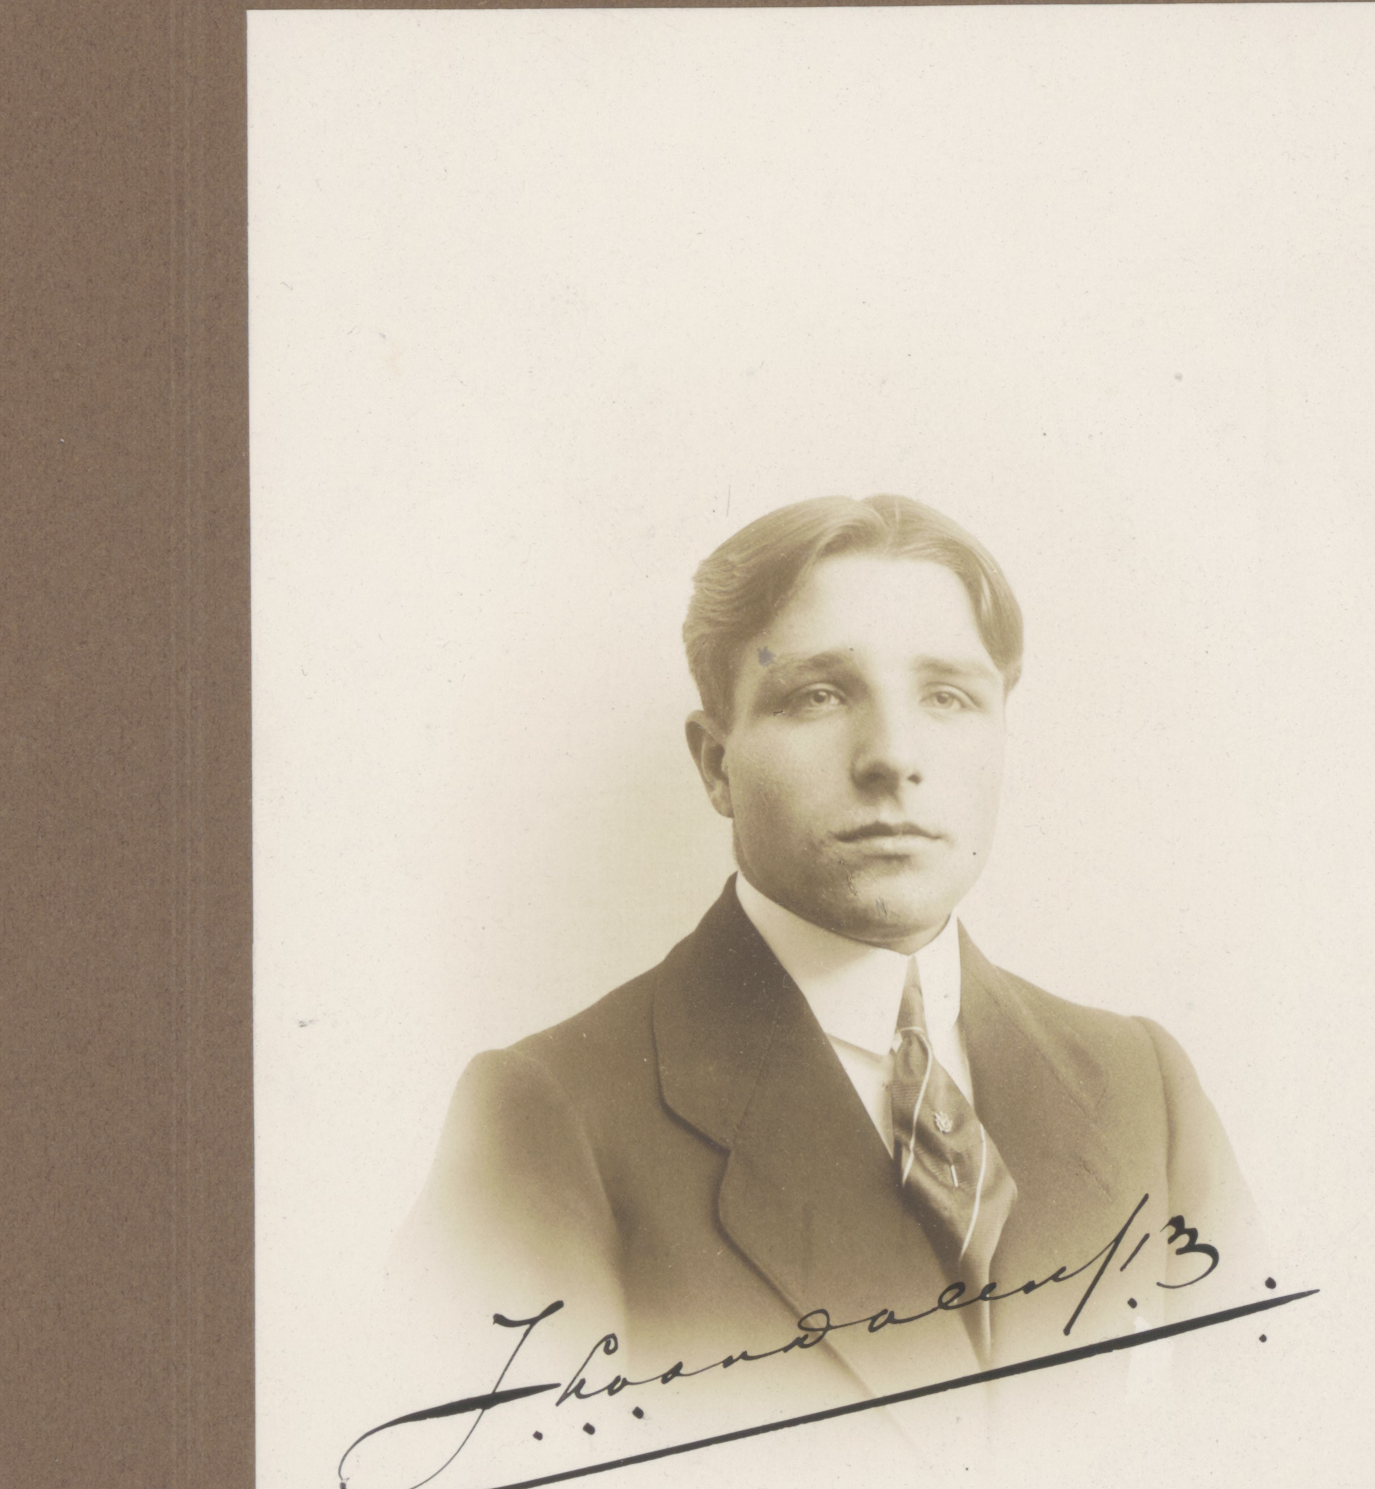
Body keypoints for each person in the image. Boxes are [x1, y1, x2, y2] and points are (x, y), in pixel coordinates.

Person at [395, 493, 1259, 1411]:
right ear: (716, 765)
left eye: (948, 696)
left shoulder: (1141, 1086)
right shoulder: (550, 1118)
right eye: (819, 695)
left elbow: (1262, 1451)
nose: (893, 756)